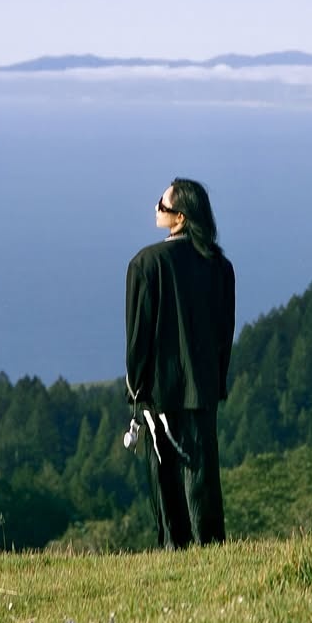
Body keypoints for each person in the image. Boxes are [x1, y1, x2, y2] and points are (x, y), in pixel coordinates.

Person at [124, 178, 236, 549]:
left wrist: (136, 389)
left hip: (160, 388)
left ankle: (176, 548)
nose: (156, 207)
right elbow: (224, 333)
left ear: (181, 218)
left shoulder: (146, 264)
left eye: (162, 203)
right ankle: (211, 545)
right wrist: (216, 382)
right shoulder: (220, 266)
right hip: (202, 387)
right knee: (203, 471)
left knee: (165, 472)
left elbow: (138, 337)